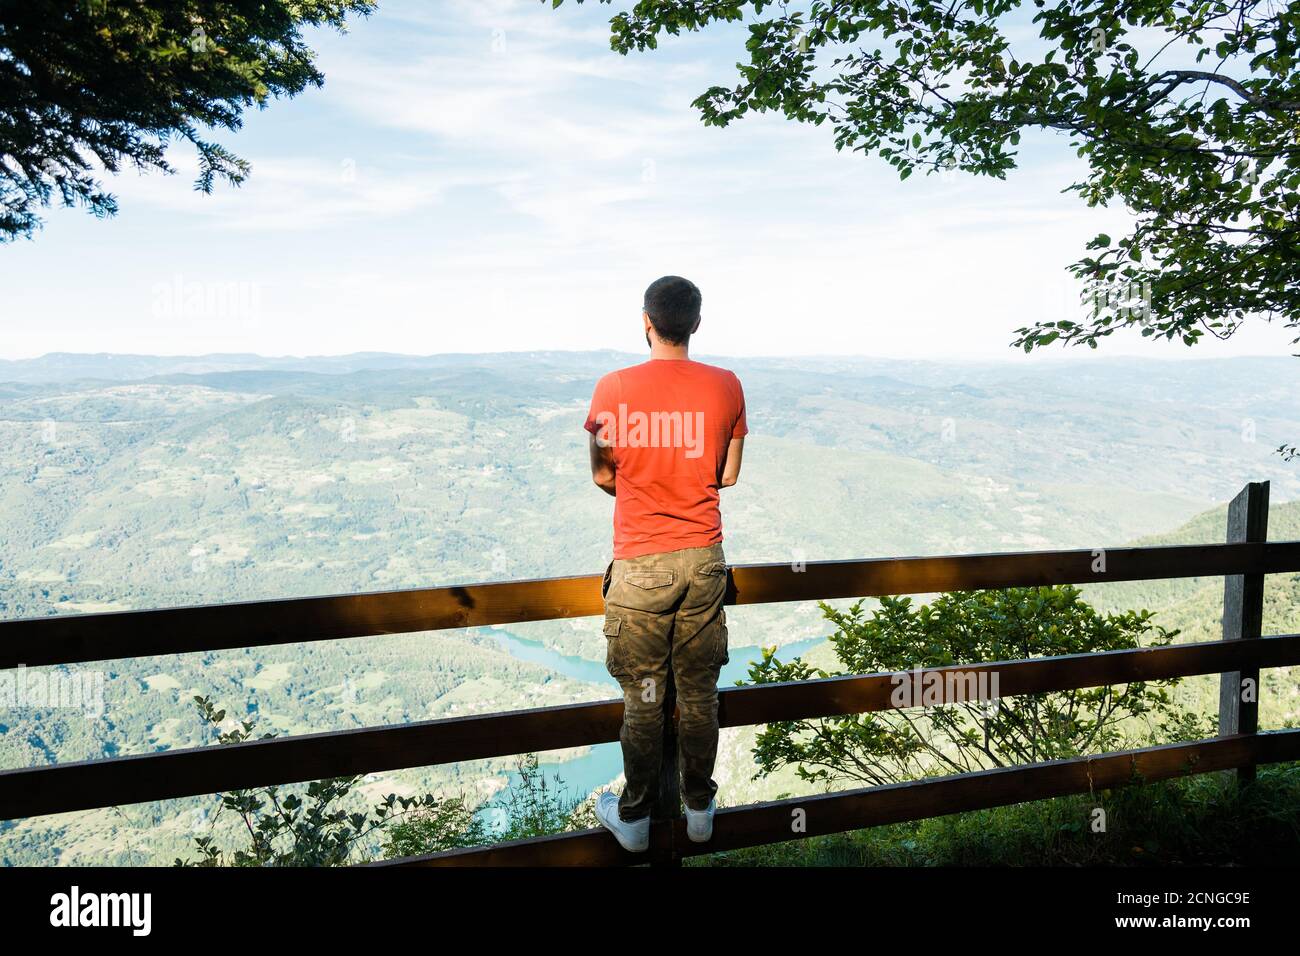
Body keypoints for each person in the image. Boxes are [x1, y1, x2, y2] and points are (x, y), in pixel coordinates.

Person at [583, 275, 747, 852]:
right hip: (705, 558)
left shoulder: (613, 387)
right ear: (695, 324)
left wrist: (642, 490)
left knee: (645, 697)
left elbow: (603, 473)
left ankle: (633, 819)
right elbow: (727, 474)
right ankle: (700, 809)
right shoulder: (726, 385)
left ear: (646, 322)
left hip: (640, 562)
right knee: (699, 694)